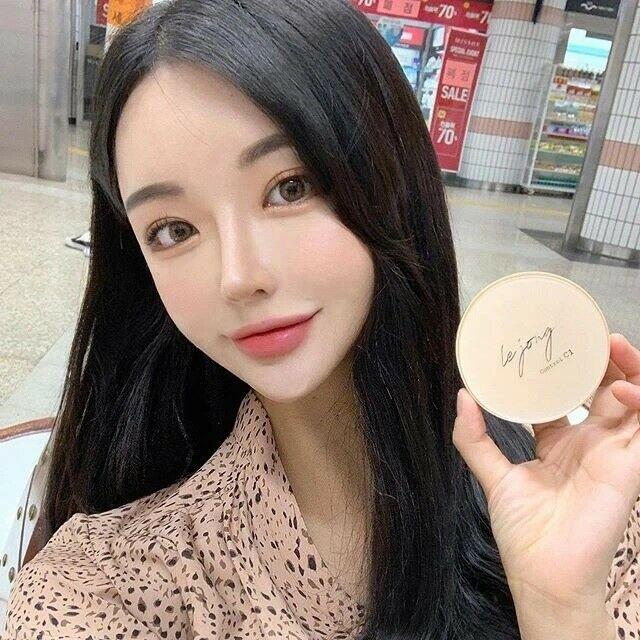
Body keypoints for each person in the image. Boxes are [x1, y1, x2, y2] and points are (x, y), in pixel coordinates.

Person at [4, 1, 640, 638]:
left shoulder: (584, 492)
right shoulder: (106, 591)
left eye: (289, 188)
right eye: (174, 229)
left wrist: (562, 608)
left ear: (391, 179)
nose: (238, 276)